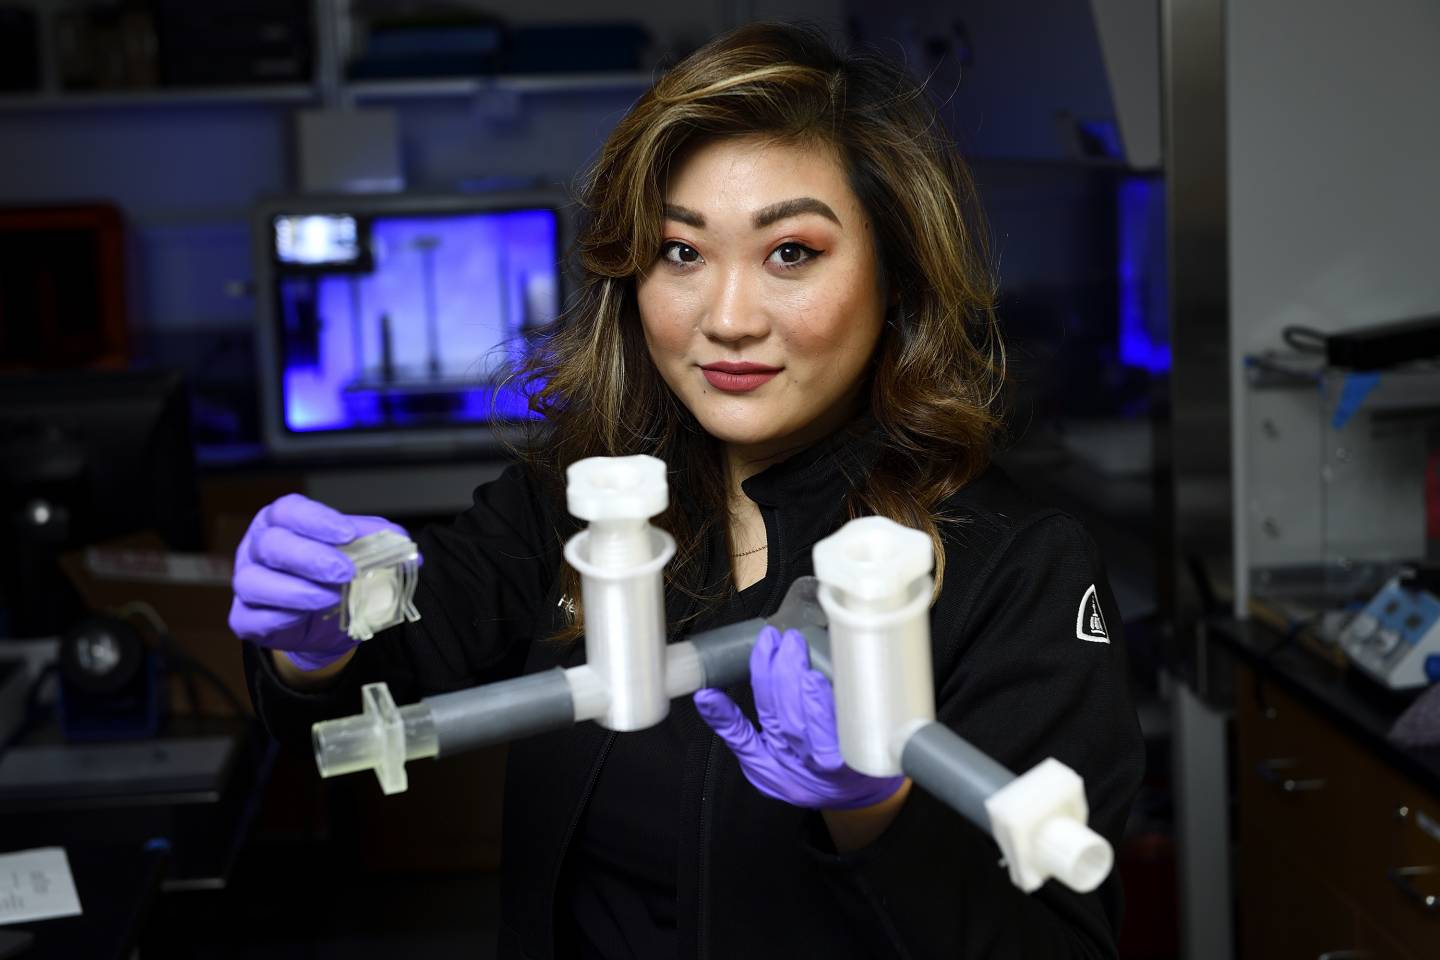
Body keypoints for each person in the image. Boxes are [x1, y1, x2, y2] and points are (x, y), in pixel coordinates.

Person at [232, 21, 1144, 960]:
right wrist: (312, 647)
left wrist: (878, 808)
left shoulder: (1014, 568)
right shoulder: (575, 503)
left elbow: (1057, 943)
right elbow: (361, 706)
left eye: (792, 252)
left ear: (897, 275)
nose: (729, 319)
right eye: (682, 252)